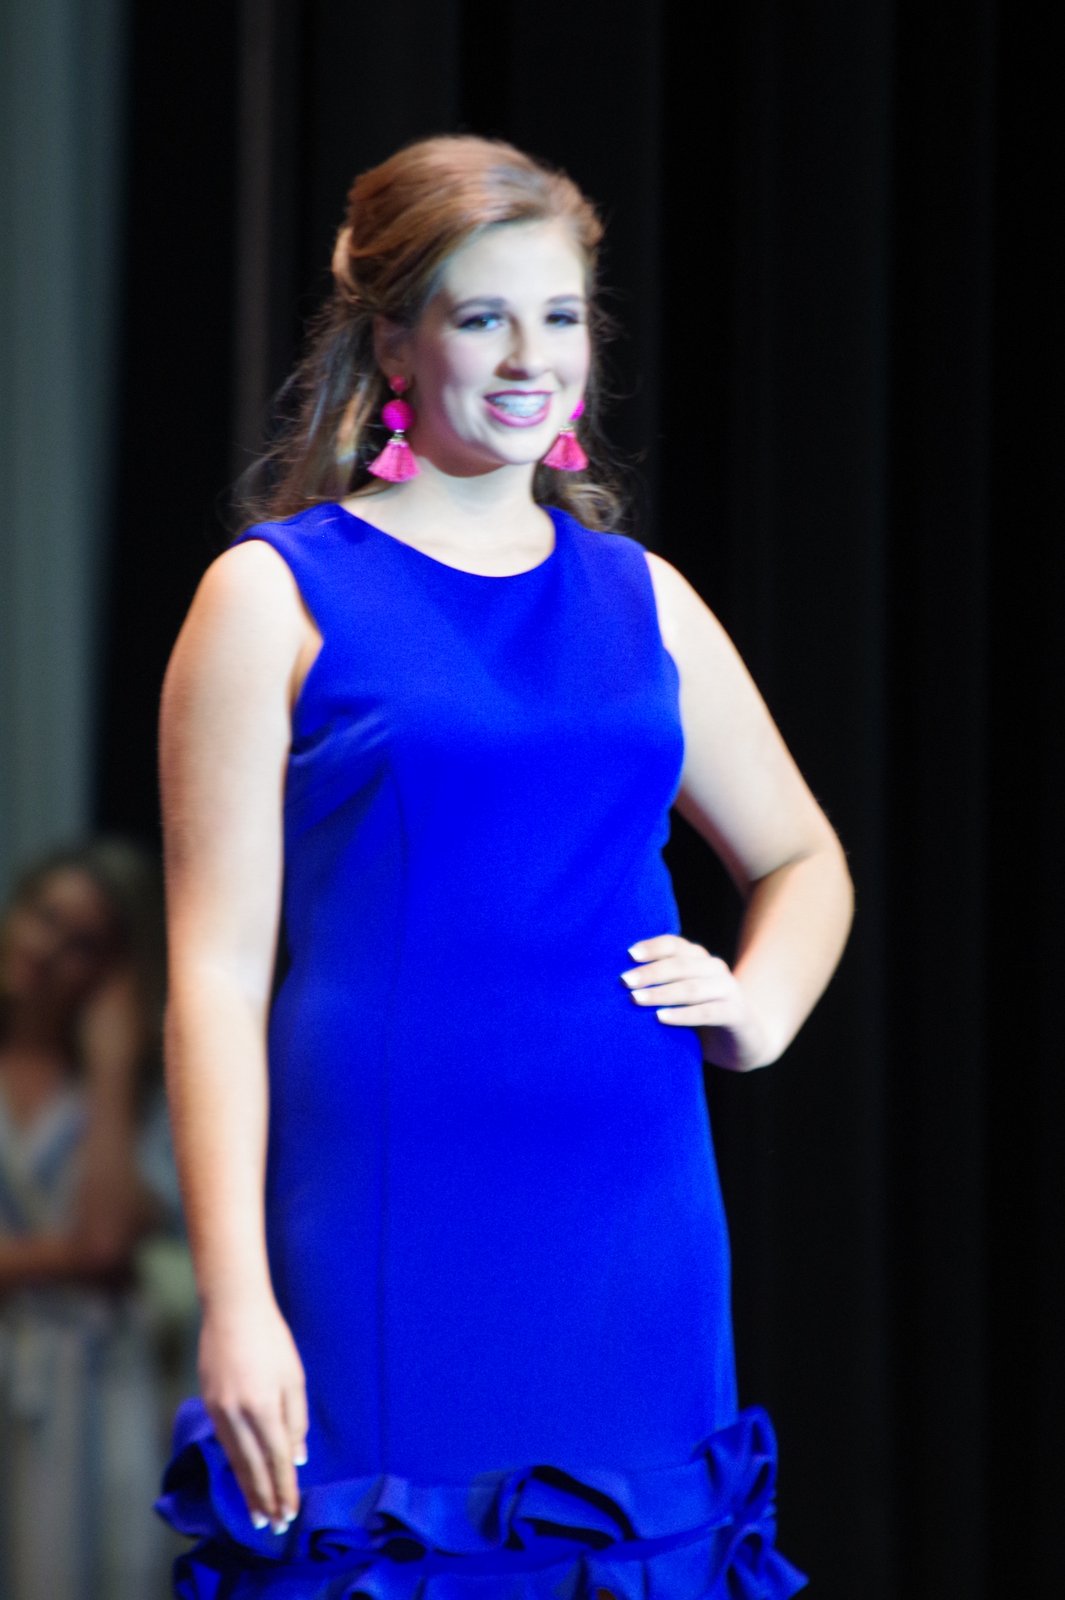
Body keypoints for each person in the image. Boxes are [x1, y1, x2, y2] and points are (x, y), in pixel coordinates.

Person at [153, 134, 854, 1600]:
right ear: (394, 342)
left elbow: (803, 855)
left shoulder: (642, 597)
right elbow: (212, 979)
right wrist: (235, 1299)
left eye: (560, 316)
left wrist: (760, 1006)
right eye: (483, 317)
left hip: (632, 1215)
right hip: (386, 1210)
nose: (532, 358)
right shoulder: (275, 593)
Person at [0, 836, 183, 1600]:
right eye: (45, 916)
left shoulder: (136, 1100)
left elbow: (106, 1240)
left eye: (83, 944)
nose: (48, 950)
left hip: (91, 1392)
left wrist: (112, 1061)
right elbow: (88, 1253)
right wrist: (64, 1257)